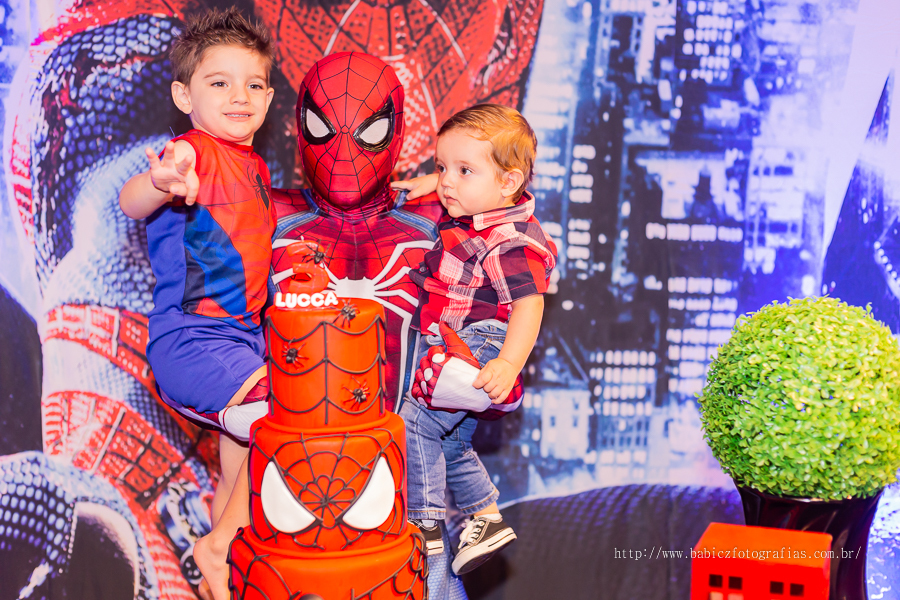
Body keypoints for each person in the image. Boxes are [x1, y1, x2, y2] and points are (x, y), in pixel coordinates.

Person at [118, 9, 276, 594]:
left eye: (253, 84)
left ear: (268, 95)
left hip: (243, 346)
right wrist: (161, 182)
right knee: (283, 422)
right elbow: (132, 201)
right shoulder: (190, 152)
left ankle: (227, 566)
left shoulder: (255, 165)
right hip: (193, 343)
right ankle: (214, 551)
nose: (240, 96)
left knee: (244, 469)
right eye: (219, 83)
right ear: (184, 95)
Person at [400, 103, 557, 575]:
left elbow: (530, 304)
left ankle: (424, 523)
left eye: (463, 170)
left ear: (508, 182)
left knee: (414, 421)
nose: (447, 180)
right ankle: (485, 517)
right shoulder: (478, 210)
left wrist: (508, 364)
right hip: (456, 341)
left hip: (479, 342)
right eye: (441, 167)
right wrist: (439, 183)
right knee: (451, 444)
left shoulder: (508, 239)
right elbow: (458, 184)